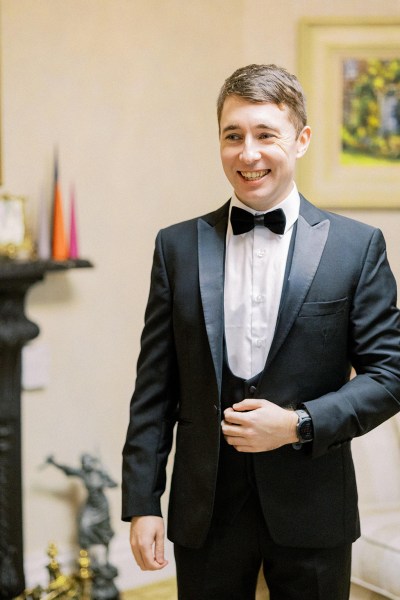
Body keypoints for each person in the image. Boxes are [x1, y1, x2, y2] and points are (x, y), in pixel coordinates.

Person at [121, 64, 400, 600]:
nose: (247, 154)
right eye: (233, 136)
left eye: (265, 134)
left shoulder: (356, 247)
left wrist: (298, 423)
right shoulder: (176, 247)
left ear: (301, 140)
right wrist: (141, 502)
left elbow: (389, 375)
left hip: (314, 508)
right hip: (205, 509)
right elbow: (154, 387)